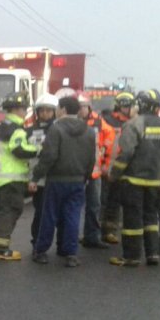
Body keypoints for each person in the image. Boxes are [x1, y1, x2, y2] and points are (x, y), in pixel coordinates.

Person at [108, 89, 160, 266]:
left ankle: (131, 257)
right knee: (151, 218)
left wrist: (115, 174)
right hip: (156, 181)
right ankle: (153, 254)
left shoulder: (134, 124)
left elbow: (126, 153)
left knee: (132, 219)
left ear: (141, 105)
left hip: (133, 181)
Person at [30, 95, 96, 267]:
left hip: (57, 179)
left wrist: (36, 176)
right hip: (78, 180)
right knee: (73, 216)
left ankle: (41, 251)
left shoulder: (56, 129)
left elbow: (49, 156)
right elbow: (91, 158)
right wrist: (86, 177)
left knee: (49, 216)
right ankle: (70, 253)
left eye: (58, 107)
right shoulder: (89, 130)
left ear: (64, 109)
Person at [0, 91, 38, 260]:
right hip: (11, 179)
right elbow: (18, 150)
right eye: (23, 109)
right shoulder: (17, 129)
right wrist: (37, 149)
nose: (25, 112)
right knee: (10, 211)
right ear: (18, 109)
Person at [78, 94, 115, 248]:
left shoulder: (100, 123)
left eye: (83, 106)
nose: (81, 110)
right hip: (76, 171)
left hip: (94, 172)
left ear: (89, 107)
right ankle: (69, 237)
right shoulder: (72, 121)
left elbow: (110, 141)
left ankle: (91, 237)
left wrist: (106, 163)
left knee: (94, 206)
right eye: (79, 107)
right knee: (71, 207)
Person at [100, 91, 136, 243]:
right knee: (102, 201)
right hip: (106, 168)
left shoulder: (133, 123)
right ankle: (96, 230)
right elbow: (100, 144)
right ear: (121, 106)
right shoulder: (107, 121)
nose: (132, 109)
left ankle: (110, 230)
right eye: (130, 106)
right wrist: (101, 165)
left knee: (115, 201)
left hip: (123, 168)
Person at [26, 93, 58, 247]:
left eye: (49, 110)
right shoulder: (29, 131)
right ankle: (37, 242)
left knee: (56, 215)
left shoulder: (58, 129)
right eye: (42, 110)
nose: (45, 113)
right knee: (40, 213)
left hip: (55, 178)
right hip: (38, 180)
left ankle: (57, 244)